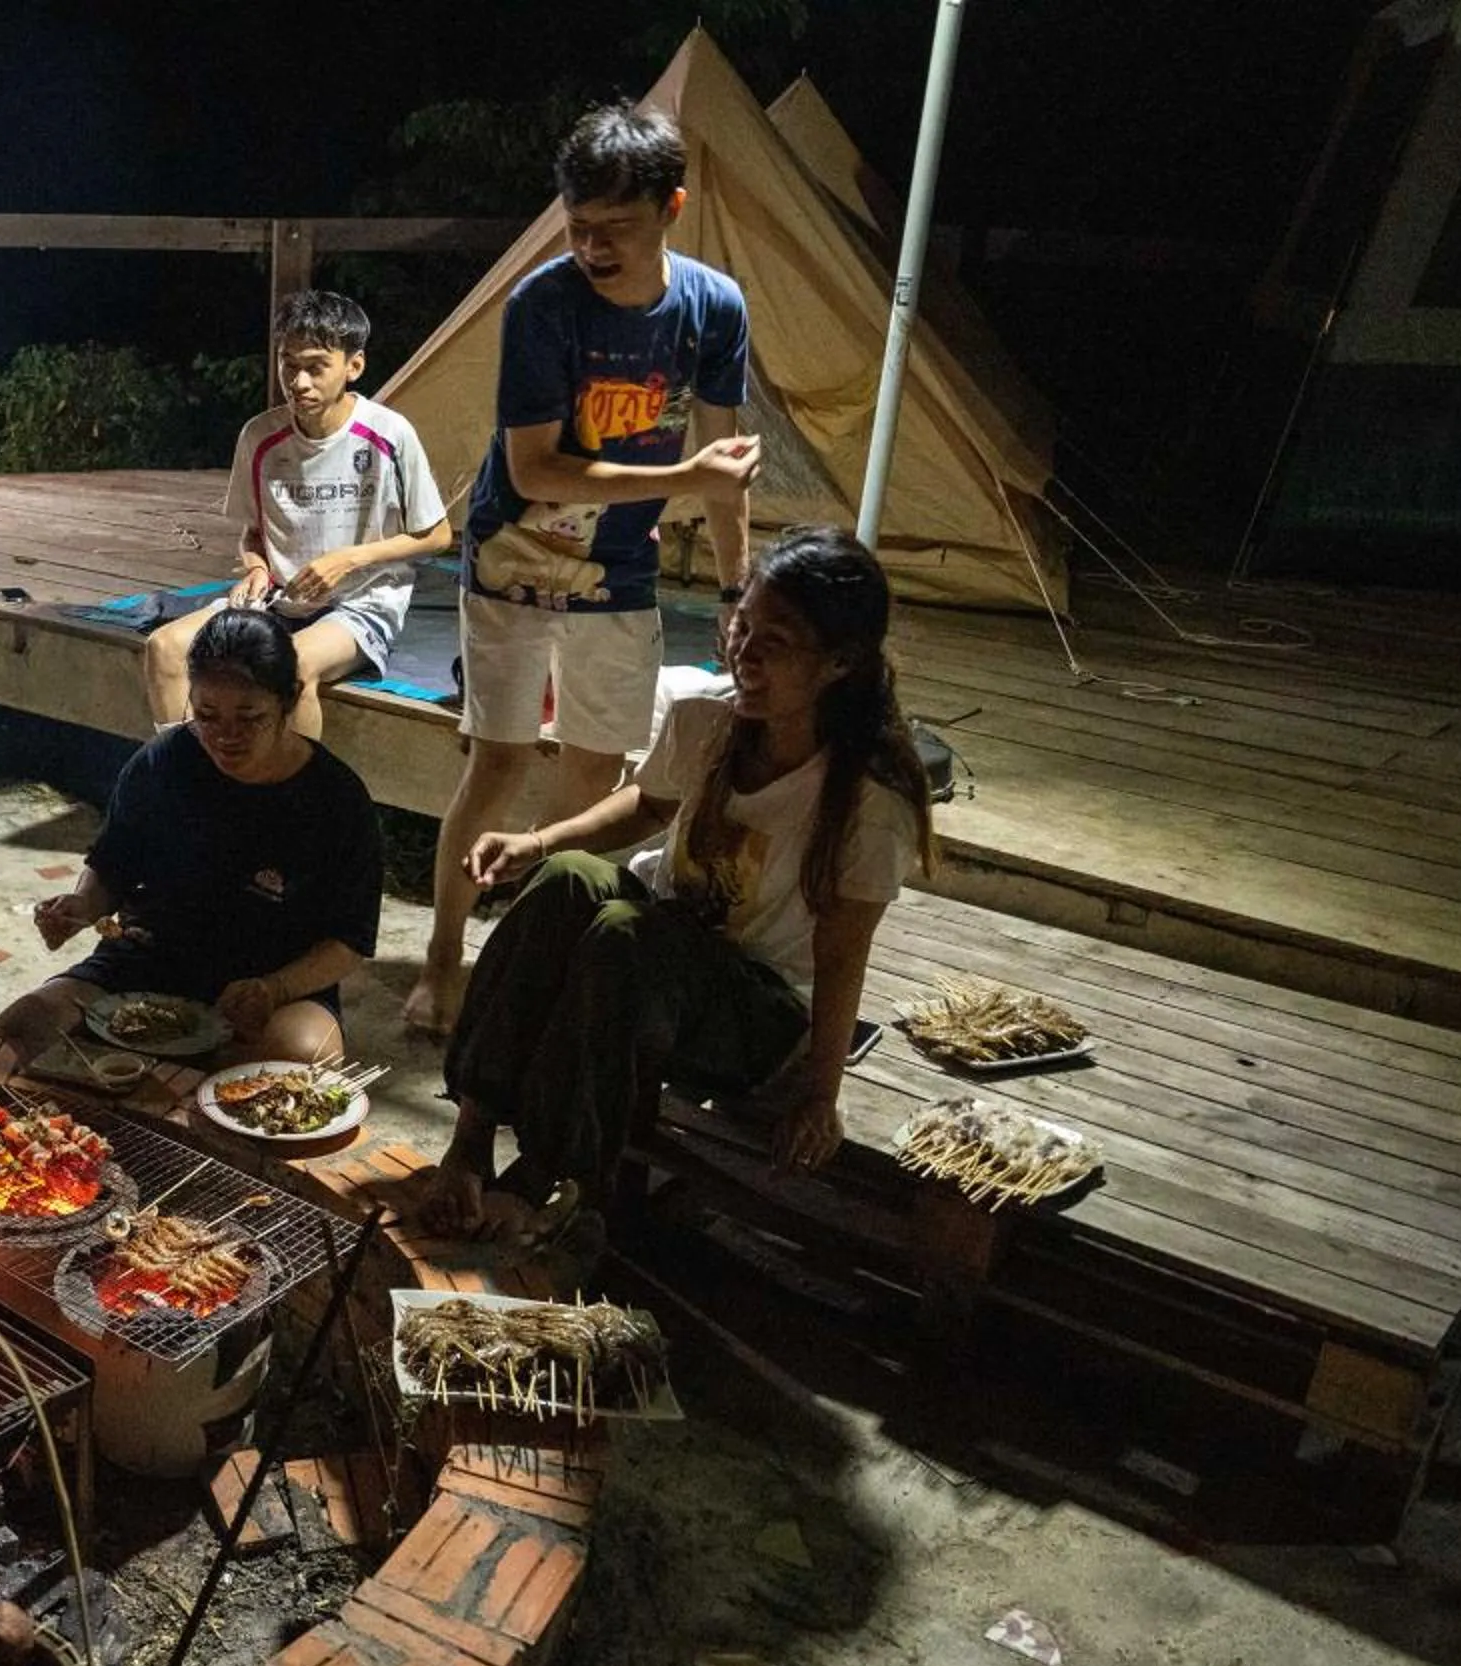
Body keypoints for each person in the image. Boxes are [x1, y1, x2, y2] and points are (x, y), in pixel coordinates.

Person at [416, 527, 936, 1240]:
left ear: (839, 663)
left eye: (775, 643)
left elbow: (843, 955)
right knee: (568, 880)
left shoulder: (869, 799)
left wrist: (820, 1094)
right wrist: (537, 841)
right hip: (657, 951)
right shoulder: (708, 719)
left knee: (625, 935)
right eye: (741, 626)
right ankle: (471, 1140)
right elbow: (647, 805)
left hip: (757, 1011)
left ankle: (545, 1175)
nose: (744, 654)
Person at [403, 98, 762, 1036]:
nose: (593, 246)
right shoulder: (543, 304)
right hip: (515, 558)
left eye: (616, 228)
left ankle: (535, 970)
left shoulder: (713, 308)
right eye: (578, 227)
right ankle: (443, 958)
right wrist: (685, 474)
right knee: (497, 766)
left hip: (618, 574)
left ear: (671, 209)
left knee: (590, 787)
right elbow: (533, 466)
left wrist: (738, 592)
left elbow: (727, 472)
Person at [0, 608, 381, 1066]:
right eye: (207, 715)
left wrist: (275, 988)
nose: (225, 736)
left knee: (297, 1057)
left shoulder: (335, 798)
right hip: (145, 962)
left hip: (268, 983)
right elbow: (112, 865)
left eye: (249, 717)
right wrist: (83, 907)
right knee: (20, 1031)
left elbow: (349, 941)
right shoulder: (163, 761)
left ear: (290, 699)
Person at [142, 289, 451, 740]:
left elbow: (437, 536)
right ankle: (187, 780)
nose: (299, 381)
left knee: (292, 666)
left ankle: (293, 801)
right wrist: (256, 568)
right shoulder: (260, 436)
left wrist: (348, 559)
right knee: (164, 647)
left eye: (315, 367)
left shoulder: (389, 433)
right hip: (280, 602)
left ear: (353, 366)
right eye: (289, 365)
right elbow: (252, 534)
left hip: (363, 602)